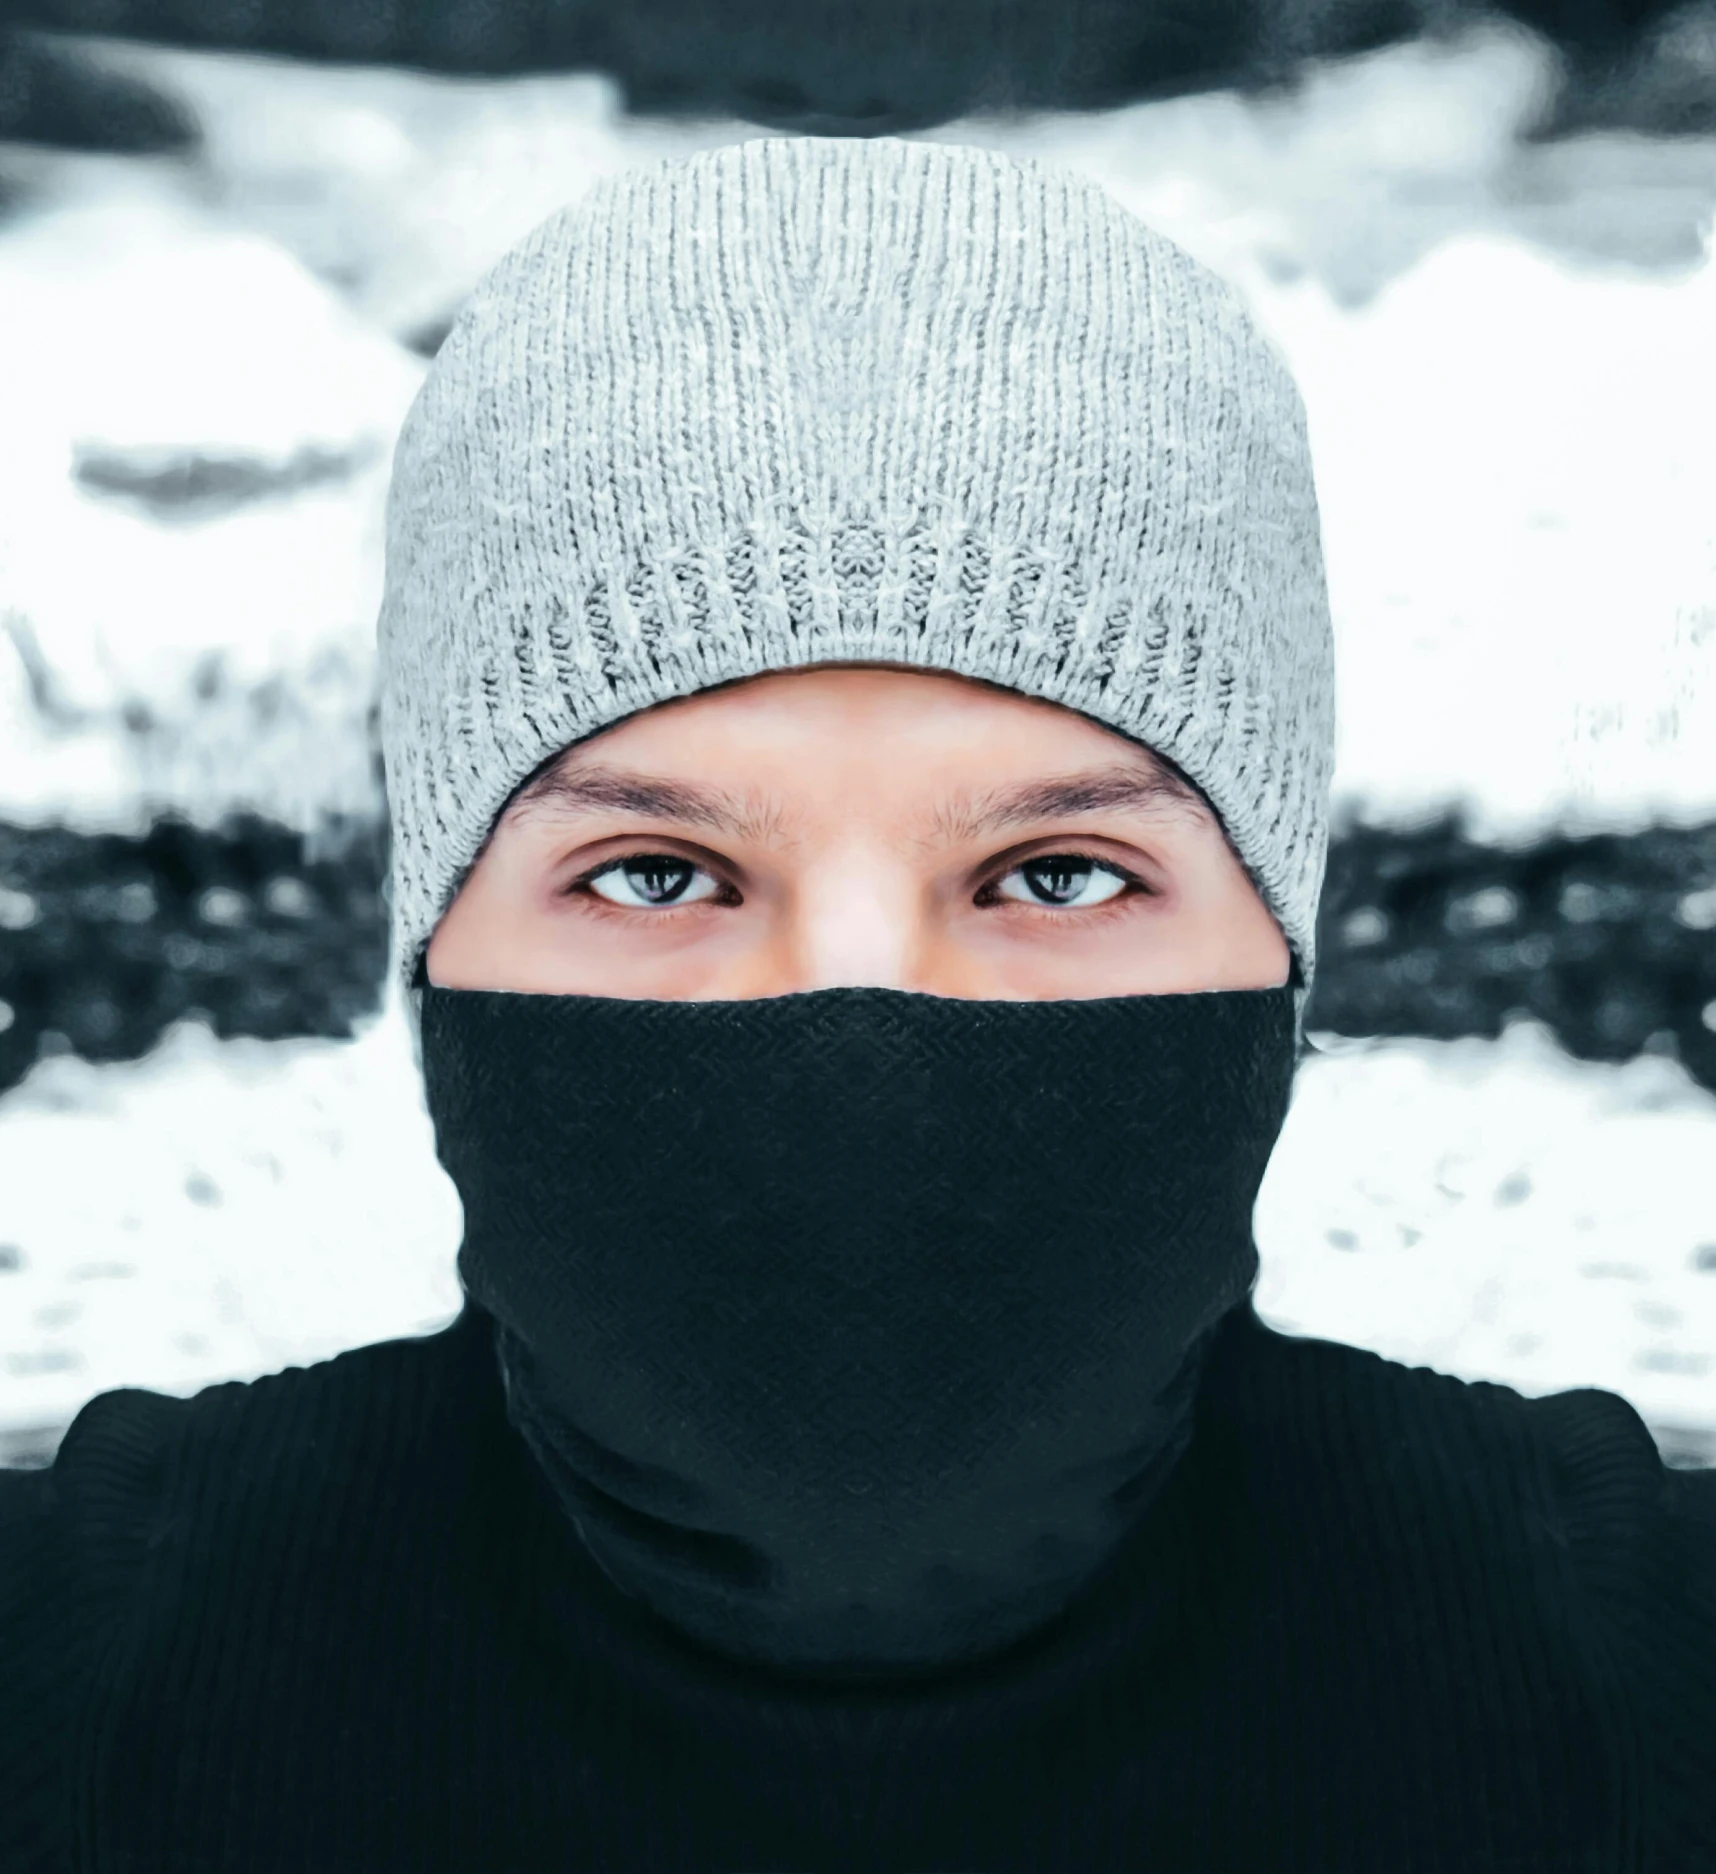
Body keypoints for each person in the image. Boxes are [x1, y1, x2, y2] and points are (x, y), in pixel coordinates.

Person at [2, 135, 1711, 1872]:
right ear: (434, 942)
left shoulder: (1618, 1649)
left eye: (1055, 875)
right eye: (659, 874)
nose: (858, 1016)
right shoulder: (96, 1652)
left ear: (1282, 943)